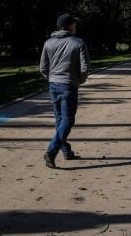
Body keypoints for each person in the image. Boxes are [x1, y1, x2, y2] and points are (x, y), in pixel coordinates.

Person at [39, 13, 91, 168]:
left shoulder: (48, 43)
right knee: (68, 120)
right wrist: (79, 80)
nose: (76, 26)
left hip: (53, 84)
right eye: (74, 23)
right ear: (69, 26)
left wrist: (51, 78)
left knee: (60, 120)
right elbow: (85, 67)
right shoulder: (78, 42)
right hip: (68, 85)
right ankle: (51, 151)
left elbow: (43, 67)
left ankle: (66, 151)